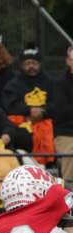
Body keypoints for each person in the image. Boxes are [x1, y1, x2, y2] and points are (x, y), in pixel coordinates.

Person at [1, 45, 55, 164]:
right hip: (22, 122)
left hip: (46, 120)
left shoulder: (50, 82)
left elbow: (56, 104)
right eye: (27, 63)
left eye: (34, 63)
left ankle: (47, 164)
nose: (31, 66)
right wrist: (29, 111)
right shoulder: (13, 84)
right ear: (21, 65)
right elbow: (9, 105)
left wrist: (43, 112)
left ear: (40, 64)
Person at [52, 46, 73, 189]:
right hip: (67, 133)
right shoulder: (59, 84)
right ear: (68, 61)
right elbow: (61, 112)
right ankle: (69, 193)